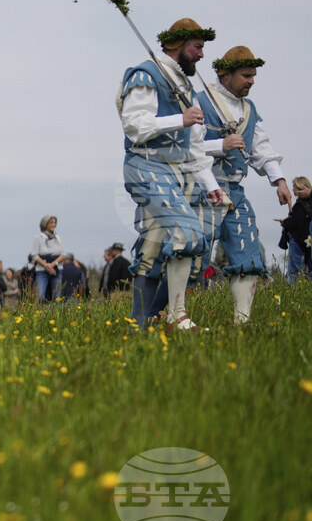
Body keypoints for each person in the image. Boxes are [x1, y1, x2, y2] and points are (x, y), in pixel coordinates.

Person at [118, 17, 224, 332]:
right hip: (145, 165)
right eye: (197, 47)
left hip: (176, 172)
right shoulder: (146, 74)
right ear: (177, 44)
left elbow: (194, 145)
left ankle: (140, 325)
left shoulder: (185, 86)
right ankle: (176, 316)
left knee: (152, 248)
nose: (202, 55)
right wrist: (180, 119)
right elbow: (134, 126)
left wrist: (210, 183)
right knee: (188, 232)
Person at [192, 46, 291, 323]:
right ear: (226, 74)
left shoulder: (250, 110)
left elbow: (261, 148)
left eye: (253, 75)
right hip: (201, 190)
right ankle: (179, 315)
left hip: (235, 191)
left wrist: (280, 180)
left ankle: (242, 320)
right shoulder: (199, 101)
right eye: (246, 75)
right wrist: (220, 145)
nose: (252, 81)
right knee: (192, 254)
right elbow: (188, 146)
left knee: (247, 251)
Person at [279, 176, 312, 281]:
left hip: (298, 241)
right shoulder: (303, 204)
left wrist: (286, 223)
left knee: (295, 271)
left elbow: (297, 222)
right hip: (307, 241)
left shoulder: (299, 206)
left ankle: (296, 288)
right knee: (308, 270)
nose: (292, 189)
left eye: (294, 186)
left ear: (300, 187)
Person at [31, 216, 64, 302]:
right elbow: (34, 255)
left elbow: (62, 254)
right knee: (40, 295)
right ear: (45, 224)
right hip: (42, 270)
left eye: (54, 223)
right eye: (51, 223)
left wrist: (52, 265)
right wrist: (46, 266)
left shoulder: (58, 238)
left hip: (56, 269)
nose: (53, 225)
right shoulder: (38, 238)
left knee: (57, 297)